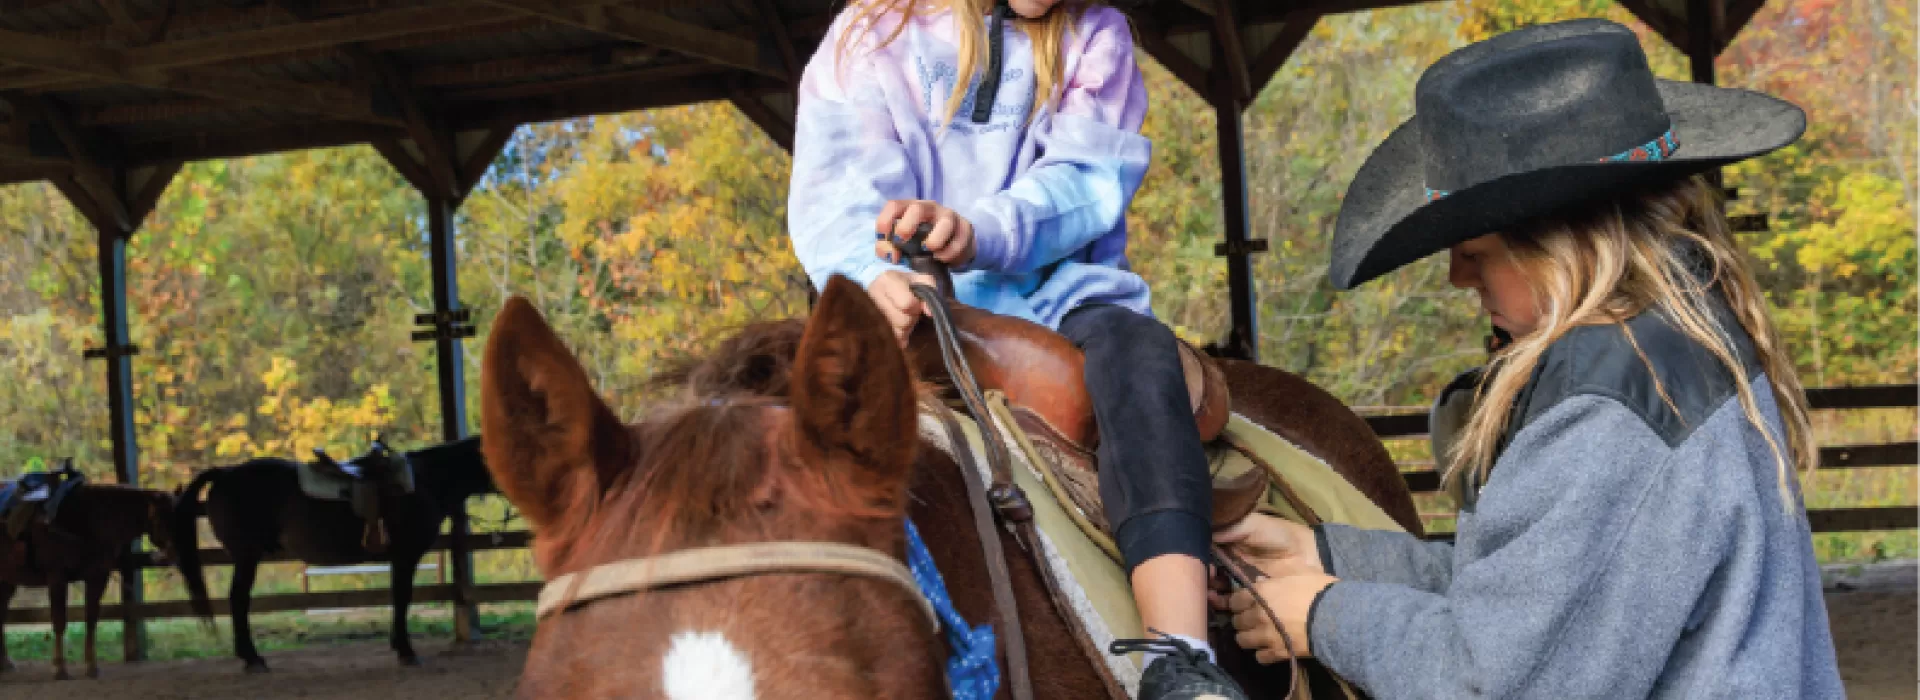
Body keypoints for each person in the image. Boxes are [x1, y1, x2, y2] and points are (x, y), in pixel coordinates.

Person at [1212, 18, 1846, 699]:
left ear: (1557, 245)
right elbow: (1546, 596)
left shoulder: (1605, 412)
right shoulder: (1670, 347)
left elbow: (1497, 681)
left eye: (1475, 251)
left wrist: (1321, 615)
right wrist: (1331, 557)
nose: (1458, 276)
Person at [786, 0, 1247, 697]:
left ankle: (1179, 654)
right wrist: (872, 273)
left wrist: (980, 230)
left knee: (1140, 357)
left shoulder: (1097, 34)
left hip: (1060, 301)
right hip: (909, 305)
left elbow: (1088, 177)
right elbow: (836, 187)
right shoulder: (869, 31)